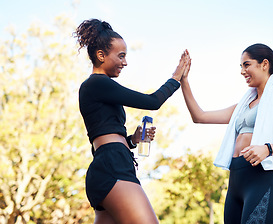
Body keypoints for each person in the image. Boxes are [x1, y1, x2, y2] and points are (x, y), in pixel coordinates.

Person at [74, 19, 188, 224]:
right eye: (121, 56)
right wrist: (175, 79)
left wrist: (133, 140)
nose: (125, 62)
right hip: (113, 166)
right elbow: (152, 101)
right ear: (101, 55)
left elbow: (103, 136)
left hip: (107, 165)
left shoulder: (96, 88)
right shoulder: (97, 83)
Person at [180, 44, 273, 223]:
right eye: (241, 66)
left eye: (246, 64)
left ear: (264, 64)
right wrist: (184, 81)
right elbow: (199, 116)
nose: (242, 71)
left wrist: (268, 149)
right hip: (235, 182)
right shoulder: (243, 105)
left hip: (263, 181)